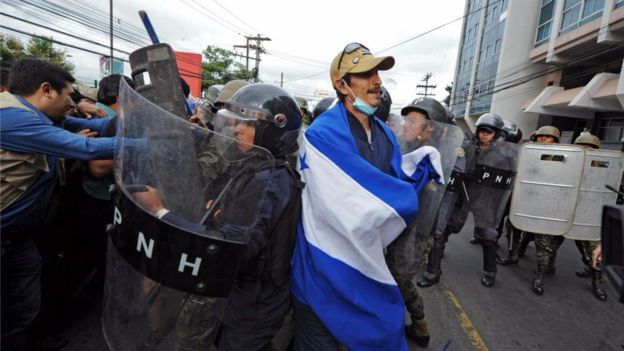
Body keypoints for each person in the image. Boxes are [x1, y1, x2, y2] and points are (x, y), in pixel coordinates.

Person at [290, 42, 441, 350]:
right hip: (324, 268)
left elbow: (390, 179)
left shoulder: (384, 133)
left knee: (378, 329)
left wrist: (421, 164)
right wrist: (401, 198)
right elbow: (348, 201)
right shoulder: (323, 134)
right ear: (341, 84)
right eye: (366, 74)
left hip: (367, 257)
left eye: (378, 73)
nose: (377, 82)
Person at [134, 83, 304, 350]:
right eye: (234, 122)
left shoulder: (269, 178)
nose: (236, 129)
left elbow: (232, 247)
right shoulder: (259, 167)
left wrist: (160, 212)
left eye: (246, 124)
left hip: (254, 304)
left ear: (272, 131)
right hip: (242, 294)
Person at [0, 58, 116, 350]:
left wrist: (147, 120)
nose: (72, 104)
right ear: (47, 90)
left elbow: (104, 125)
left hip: (19, 236)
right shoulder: (11, 118)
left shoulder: (39, 116)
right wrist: (151, 142)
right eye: (69, 96)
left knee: (22, 307)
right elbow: (87, 147)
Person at [529, 126, 566, 295]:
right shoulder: (530, 155)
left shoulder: (565, 158)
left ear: (555, 141)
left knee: (553, 242)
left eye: (547, 137)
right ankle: (541, 275)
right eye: (540, 136)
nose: (542, 139)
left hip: (558, 206)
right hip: (536, 204)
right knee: (543, 243)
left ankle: (549, 267)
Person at [571, 133, 608, 301]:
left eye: (589, 148)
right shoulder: (568, 162)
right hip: (564, 212)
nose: (585, 151)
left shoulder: (603, 166)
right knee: (547, 247)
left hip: (588, 215)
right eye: (582, 147)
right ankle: (544, 271)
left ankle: (597, 282)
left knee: (592, 252)